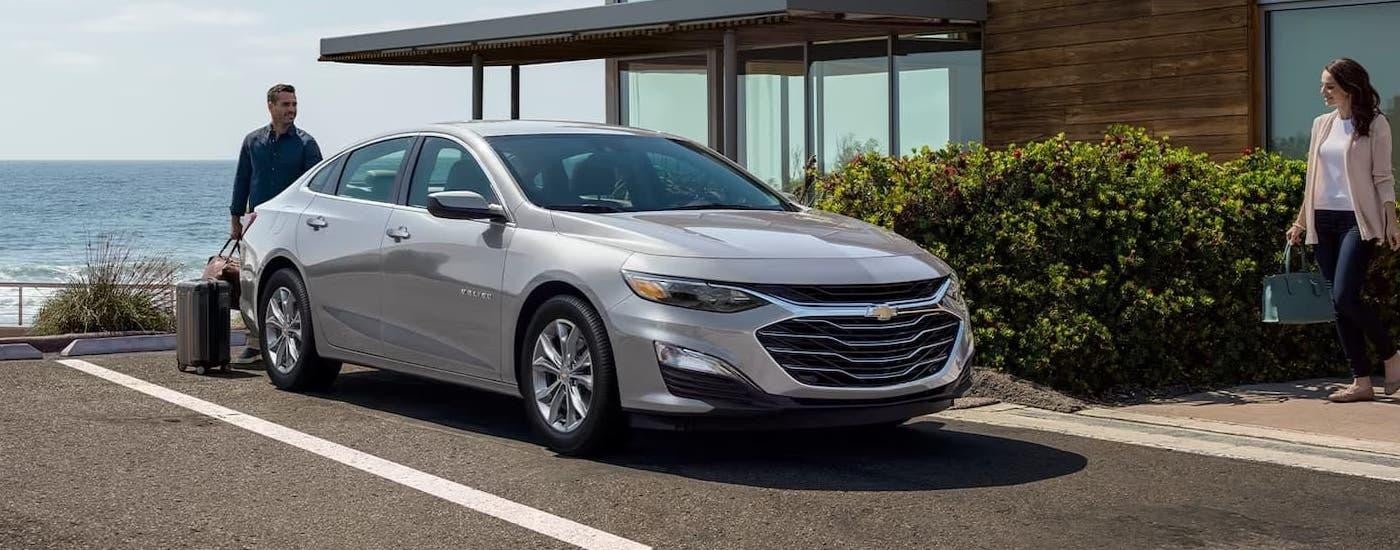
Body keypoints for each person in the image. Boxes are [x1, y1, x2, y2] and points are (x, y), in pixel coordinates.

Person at [1286, 58, 1400, 402]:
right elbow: (1313, 179)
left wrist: (1391, 220)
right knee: (1339, 304)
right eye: (1323, 85)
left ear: (1350, 88)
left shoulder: (1376, 124)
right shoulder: (1321, 124)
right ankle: (1362, 382)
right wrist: (1301, 221)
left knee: (1344, 296)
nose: (1323, 92)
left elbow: (1383, 177)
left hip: (1356, 221)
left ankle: (1391, 355)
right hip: (1323, 221)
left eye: (1329, 86)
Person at [229, 83, 323, 365]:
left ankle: (292, 340)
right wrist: (235, 220)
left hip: (291, 225)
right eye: (285, 105)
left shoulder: (307, 144)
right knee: (251, 282)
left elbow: (317, 189)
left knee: (284, 281)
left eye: (294, 105)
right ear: (270, 106)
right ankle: (255, 340)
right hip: (256, 224)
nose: (291, 110)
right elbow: (242, 180)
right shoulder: (252, 141)